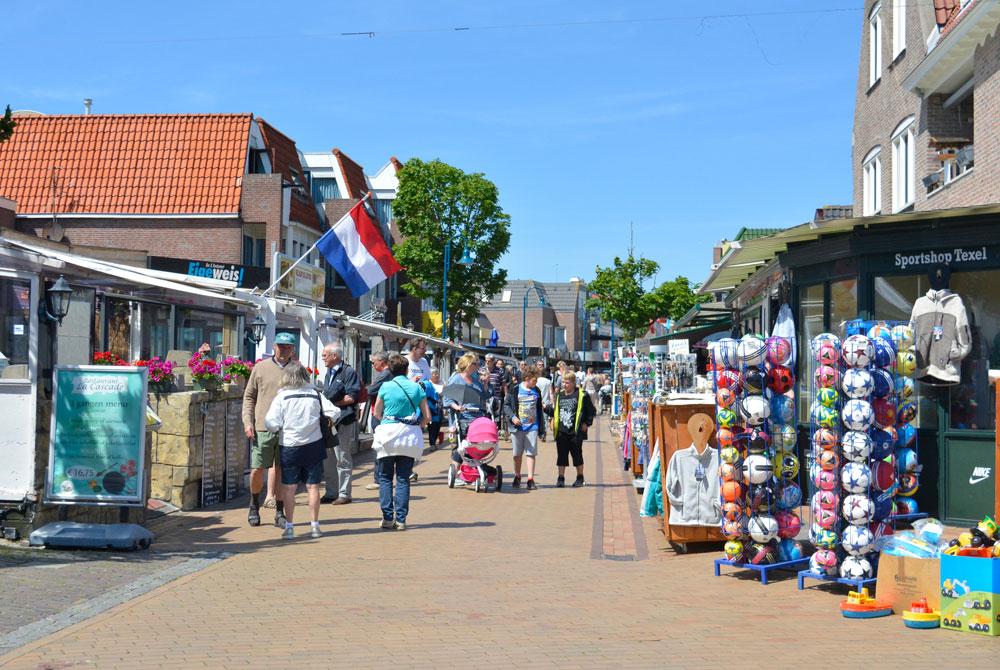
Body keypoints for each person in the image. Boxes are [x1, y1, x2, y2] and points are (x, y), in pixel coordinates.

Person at [264, 361, 342, 539]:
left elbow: (271, 423)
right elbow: (334, 412)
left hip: (290, 446)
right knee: (313, 487)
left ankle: (290, 527)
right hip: (314, 445)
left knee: (289, 488)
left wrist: (282, 427)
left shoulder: (282, 397)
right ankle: (315, 526)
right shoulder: (315, 394)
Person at [242, 332, 296, 528]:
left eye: (288, 347)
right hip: (263, 428)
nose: (284, 350)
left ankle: (279, 512)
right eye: (281, 346)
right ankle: (254, 505)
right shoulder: (260, 368)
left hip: (289, 430)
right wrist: (248, 422)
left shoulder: (298, 370)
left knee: (282, 471)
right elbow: (249, 397)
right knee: (257, 469)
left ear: (293, 349)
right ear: (274, 347)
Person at [372, 353, 430, 531]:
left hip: (388, 435)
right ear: (406, 370)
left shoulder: (386, 386)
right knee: (404, 478)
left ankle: (388, 517)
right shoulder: (416, 388)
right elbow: (427, 416)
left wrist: (388, 420)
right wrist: (416, 424)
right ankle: (402, 519)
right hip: (409, 436)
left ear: (390, 369)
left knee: (385, 477)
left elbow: (377, 413)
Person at [320, 342, 361, 505]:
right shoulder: (328, 372)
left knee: (342, 456)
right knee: (328, 457)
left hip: (343, 419)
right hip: (329, 421)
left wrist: (329, 404)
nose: (323, 358)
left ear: (334, 356)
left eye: (325, 355)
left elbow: (351, 397)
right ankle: (331, 492)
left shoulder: (348, 372)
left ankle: (344, 493)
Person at [545, 372, 596, 488]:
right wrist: (546, 409)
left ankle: (580, 477)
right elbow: (555, 411)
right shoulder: (559, 395)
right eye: (563, 382)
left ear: (573, 383)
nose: (564, 384)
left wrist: (586, 423)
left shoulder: (582, 395)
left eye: (567, 382)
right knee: (561, 456)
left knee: (577, 455)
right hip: (561, 431)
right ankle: (561, 478)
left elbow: (591, 411)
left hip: (575, 432)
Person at [504, 368, 543, 489]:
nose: (535, 383)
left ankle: (530, 479)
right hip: (517, 427)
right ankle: (517, 475)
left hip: (532, 426)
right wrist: (513, 417)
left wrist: (542, 426)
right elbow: (506, 405)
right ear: (527, 379)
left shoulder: (536, 390)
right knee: (517, 454)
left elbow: (539, 408)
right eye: (534, 381)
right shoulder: (515, 389)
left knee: (531, 453)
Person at [364, 350, 393, 492]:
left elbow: (370, 390)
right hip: (383, 414)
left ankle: (379, 479)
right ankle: (382, 477)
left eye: (373, 362)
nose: (372, 365)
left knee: (379, 447)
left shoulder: (385, 374)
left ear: (381, 362)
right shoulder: (388, 374)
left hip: (380, 415)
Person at [444, 353, 487, 441]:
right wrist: (457, 407)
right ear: (468, 364)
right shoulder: (456, 378)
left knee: (476, 446)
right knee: (463, 446)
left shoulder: (475, 380)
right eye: (475, 363)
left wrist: (486, 383)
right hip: (463, 418)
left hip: (478, 417)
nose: (477, 366)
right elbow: (447, 398)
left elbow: (483, 395)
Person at [421, 372, 443, 450]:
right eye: (434, 374)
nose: (437, 375)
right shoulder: (425, 383)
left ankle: (432, 443)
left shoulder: (442, 382)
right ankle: (432, 444)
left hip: (433, 407)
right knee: (432, 426)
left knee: (434, 426)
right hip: (428, 407)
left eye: (437, 373)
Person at [534, 360, 553, 442]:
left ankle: (539, 433)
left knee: (537, 418)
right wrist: (553, 402)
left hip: (536, 401)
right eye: (539, 365)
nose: (541, 366)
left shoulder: (535, 381)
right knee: (544, 419)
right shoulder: (548, 381)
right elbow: (551, 393)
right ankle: (543, 433)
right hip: (545, 402)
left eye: (542, 365)